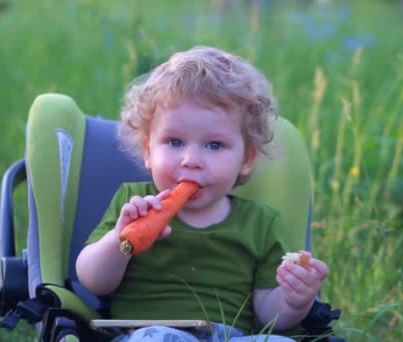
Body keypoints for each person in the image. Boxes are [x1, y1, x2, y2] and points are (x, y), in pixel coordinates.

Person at [76, 46, 329, 341]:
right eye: (174, 142)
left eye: (214, 146)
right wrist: (122, 241)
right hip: (150, 333)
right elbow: (93, 281)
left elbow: (269, 314)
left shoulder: (261, 223)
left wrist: (294, 300)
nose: (190, 160)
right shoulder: (134, 204)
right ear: (148, 149)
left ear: (246, 158)